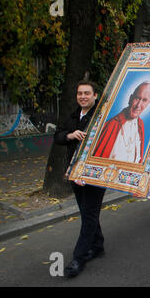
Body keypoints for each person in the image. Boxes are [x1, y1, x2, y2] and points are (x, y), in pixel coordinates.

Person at [54, 80, 106, 278]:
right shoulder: (74, 115)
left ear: (95, 96)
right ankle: (98, 245)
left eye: (87, 93)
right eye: (79, 93)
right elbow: (57, 136)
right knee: (87, 212)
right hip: (74, 172)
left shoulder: (101, 117)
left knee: (89, 214)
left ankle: (79, 258)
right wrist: (70, 135)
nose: (82, 96)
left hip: (93, 175)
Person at [93, 81, 150, 163]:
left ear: (148, 103)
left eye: (144, 100)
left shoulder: (140, 125)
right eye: (137, 98)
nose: (138, 105)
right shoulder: (112, 124)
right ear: (130, 98)